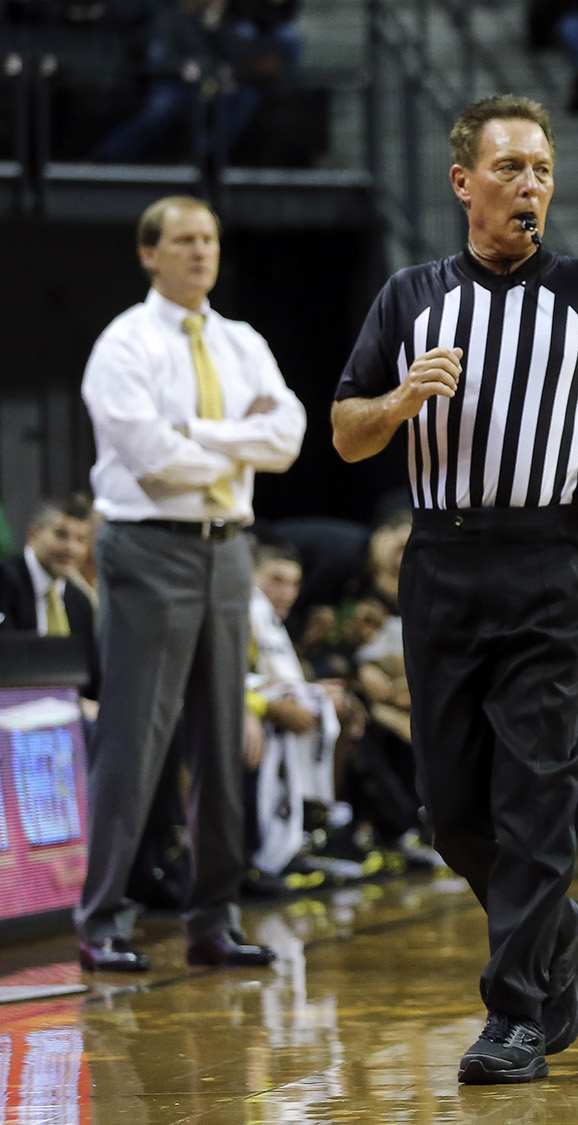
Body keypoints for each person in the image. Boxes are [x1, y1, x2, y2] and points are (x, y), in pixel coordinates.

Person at [330, 95, 578, 1085]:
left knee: (534, 793)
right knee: (452, 814)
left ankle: (515, 1013)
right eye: (510, 167)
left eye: (541, 168)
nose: (531, 185)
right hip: (440, 561)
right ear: (463, 183)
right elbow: (345, 428)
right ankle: (558, 928)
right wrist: (397, 402)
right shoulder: (408, 296)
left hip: (552, 561)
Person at [76, 194, 305, 974]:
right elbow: (150, 459)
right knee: (134, 739)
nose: (200, 252)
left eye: (208, 239)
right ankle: (102, 915)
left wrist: (203, 436)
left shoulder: (241, 341)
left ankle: (214, 917)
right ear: (150, 253)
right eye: (182, 240)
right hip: (149, 547)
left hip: (228, 549)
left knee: (221, 735)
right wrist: (241, 443)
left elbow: (290, 436)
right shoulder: (125, 344)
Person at [245, 542, 354, 881]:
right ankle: (266, 849)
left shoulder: (272, 623)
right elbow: (218, 679)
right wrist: (260, 706)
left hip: (258, 712)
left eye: (294, 583)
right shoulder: (243, 611)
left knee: (339, 708)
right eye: (276, 580)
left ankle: (310, 830)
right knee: (296, 716)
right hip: (237, 716)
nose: (287, 592)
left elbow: (280, 679)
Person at [89, 0, 263, 163]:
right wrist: (183, 68)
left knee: (246, 98)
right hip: (173, 83)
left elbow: (233, 59)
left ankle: (205, 154)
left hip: (209, 87)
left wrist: (214, 30)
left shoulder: (222, 26)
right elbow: (159, 59)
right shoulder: (171, 19)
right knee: (163, 108)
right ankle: (109, 154)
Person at [0, 496, 101, 715]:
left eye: (81, 539)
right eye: (61, 535)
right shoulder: (3, 581)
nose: (71, 548)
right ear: (33, 535)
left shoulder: (79, 601)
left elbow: (91, 680)